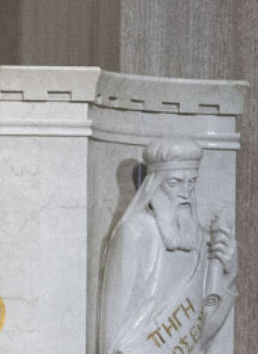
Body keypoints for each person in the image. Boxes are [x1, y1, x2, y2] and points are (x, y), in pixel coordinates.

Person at [98, 138, 237, 354]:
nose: (185, 192)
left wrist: (228, 276)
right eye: (174, 183)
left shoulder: (199, 239)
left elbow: (203, 332)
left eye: (191, 182)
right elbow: (114, 326)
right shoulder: (135, 233)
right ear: (154, 185)